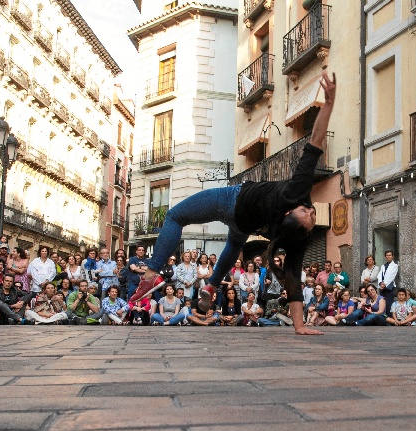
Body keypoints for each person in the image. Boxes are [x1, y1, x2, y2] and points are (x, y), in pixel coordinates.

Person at [130, 72, 336, 336]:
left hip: (231, 202)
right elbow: (294, 278)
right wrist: (299, 325)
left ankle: (152, 273)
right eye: (310, 210)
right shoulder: (294, 233)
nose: (311, 209)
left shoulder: (294, 199)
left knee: (175, 217)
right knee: (236, 242)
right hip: (246, 223)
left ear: (290, 214)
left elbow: (315, 141)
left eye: (307, 213)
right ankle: (212, 285)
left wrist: (328, 103)